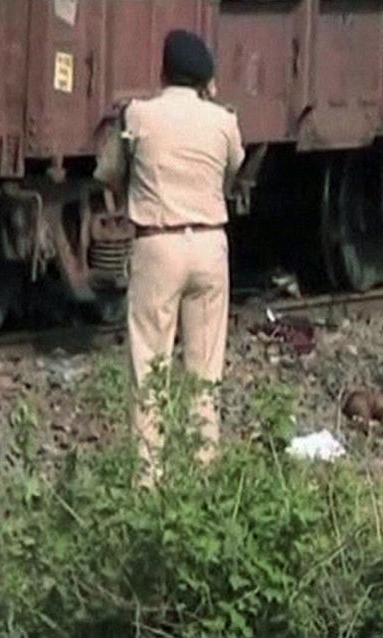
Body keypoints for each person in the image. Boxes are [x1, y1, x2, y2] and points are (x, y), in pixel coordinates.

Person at [99, 30, 245, 479]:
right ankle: (203, 474)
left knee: (149, 365)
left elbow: (108, 173)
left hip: (157, 243)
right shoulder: (224, 122)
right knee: (205, 370)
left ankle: (149, 480)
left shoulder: (139, 116)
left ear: (162, 71)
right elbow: (232, 170)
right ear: (205, 76)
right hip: (209, 243)